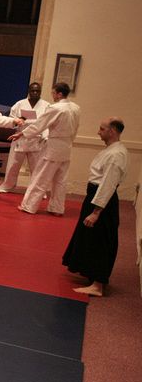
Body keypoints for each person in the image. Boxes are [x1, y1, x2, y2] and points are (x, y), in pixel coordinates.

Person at [63, 118, 127, 297]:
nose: (98, 132)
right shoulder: (112, 150)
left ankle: (97, 285)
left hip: (102, 201)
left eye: (102, 129)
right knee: (90, 238)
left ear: (113, 131)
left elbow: (108, 184)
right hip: (96, 196)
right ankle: (91, 275)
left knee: (100, 241)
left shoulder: (116, 154)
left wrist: (96, 212)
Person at [10, 82, 80, 215]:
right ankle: (57, 208)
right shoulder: (76, 108)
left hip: (54, 147)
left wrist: (22, 133)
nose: (52, 95)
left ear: (59, 94)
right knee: (60, 180)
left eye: (53, 93)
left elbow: (40, 124)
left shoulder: (56, 108)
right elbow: (76, 128)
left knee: (40, 177)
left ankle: (29, 206)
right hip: (67, 146)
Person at [0, 82, 50, 193]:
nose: (35, 93)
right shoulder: (20, 104)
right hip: (20, 137)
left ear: (40, 92)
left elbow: (47, 123)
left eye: (37, 91)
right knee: (13, 165)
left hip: (37, 139)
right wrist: (18, 121)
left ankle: (37, 191)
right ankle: (8, 185)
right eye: (33, 90)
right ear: (29, 91)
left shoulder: (46, 105)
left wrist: (45, 137)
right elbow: (12, 119)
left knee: (36, 167)